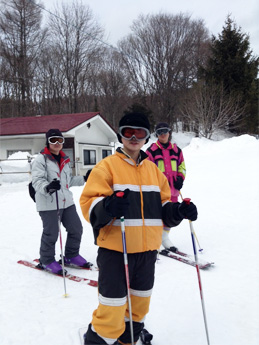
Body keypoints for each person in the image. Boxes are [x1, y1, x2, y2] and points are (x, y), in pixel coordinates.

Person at [79, 112, 197, 345]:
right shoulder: (106, 167)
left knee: (139, 304)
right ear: (120, 135)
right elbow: (88, 204)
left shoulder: (153, 171)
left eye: (139, 133)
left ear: (147, 137)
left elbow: (164, 207)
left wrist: (178, 212)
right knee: (112, 306)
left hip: (146, 252)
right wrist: (108, 206)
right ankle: (98, 339)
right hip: (116, 250)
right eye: (128, 132)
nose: (134, 137)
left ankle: (128, 338)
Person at [31, 128, 92, 275]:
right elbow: (37, 181)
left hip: (66, 201)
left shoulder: (64, 159)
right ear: (48, 142)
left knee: (76, 228)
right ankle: (46, 260)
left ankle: (71, 255)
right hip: (48, 202)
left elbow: (68, 181)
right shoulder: (40, 160)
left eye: (60, 140)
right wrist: (48, 187)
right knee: (51, 232)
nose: (57, 143)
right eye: (53, 140)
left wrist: (85, 178)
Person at [146, 122, 186, 252]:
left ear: (169, 132)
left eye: (165, 131)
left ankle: (164, 237)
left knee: (170, 216)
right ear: (156, 134)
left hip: (173, 190)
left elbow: (182, 166)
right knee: (157, 217)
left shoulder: (176, 150)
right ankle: (155, 241)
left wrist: (180, 178)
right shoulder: (151, 151)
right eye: (159, 132)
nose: (163, 134)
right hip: (158, 191)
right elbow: (146, 170)